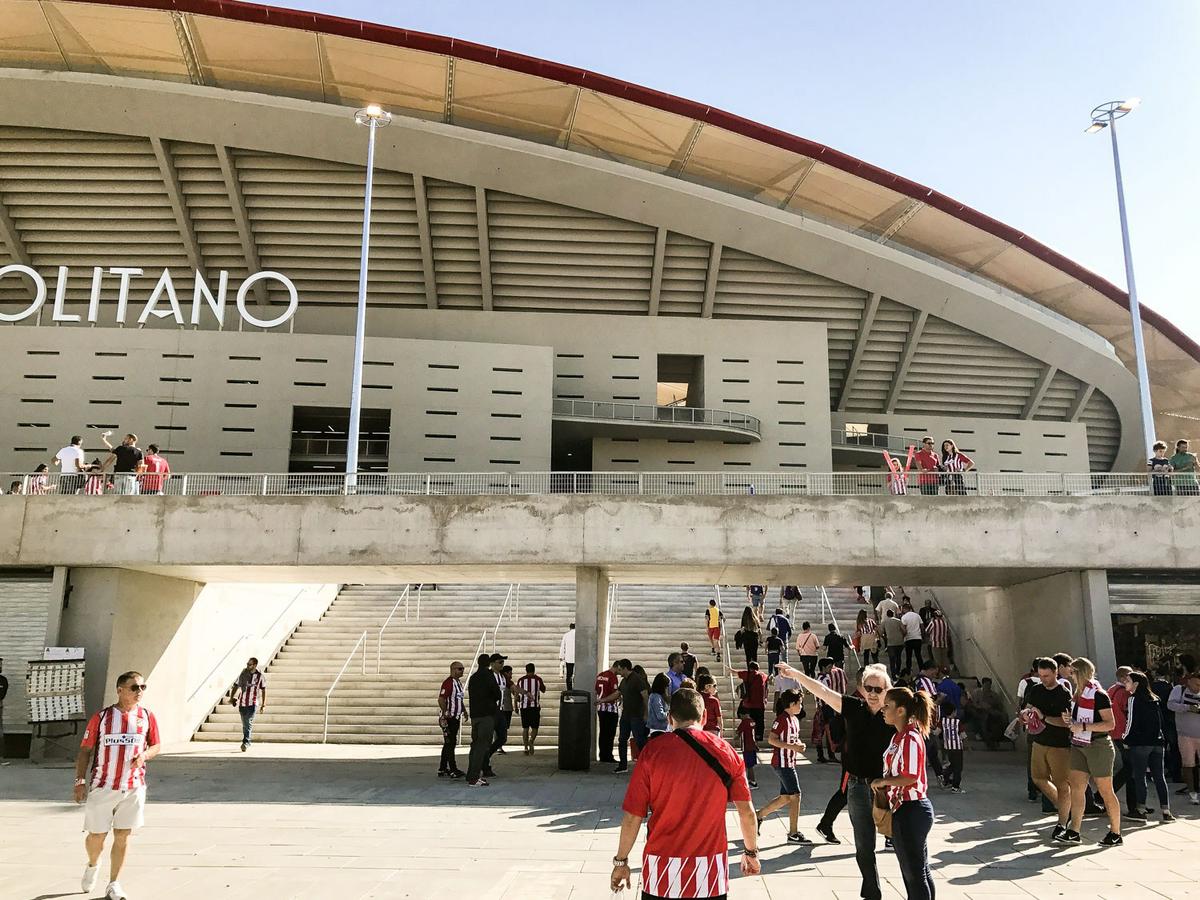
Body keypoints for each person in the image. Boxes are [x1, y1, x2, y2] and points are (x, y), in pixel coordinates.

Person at [610, 688, 760, 899]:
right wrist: (751, 852)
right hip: (709, 873)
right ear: (705, 716)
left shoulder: (652, 752)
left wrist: (621, 861)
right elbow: (747, 813)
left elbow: (633, 816)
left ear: (670, 718)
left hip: (661, 870)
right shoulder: (727, 752)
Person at [781, 661, 894, 895]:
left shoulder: (894, 716)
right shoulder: (853, 707)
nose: (872, 694)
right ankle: (872, 892)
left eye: (878, 689)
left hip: (886, 788)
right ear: (862, 689)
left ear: (887, 691)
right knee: (864, 845)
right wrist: (797, 675)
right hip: (857, 787)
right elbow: (823, 692)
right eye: (868, 688)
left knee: (900, 842)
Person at [75, 671, 160, 900]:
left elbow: (156, 745)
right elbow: (85, 751)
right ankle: (93, 864)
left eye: (143, 687)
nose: (139, 692)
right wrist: (80, 781)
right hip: (103, 786)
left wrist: (144, 755)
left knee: (122, 835)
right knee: (97, 837)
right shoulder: (102, 718)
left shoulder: (147, 716)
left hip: (133, 787)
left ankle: (114, 883)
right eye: (134, 688)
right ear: (120, 690)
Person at [874, 687, 935, 900]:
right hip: (904, 809)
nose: (882, 709)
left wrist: (884, 781)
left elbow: (911, 776)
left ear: (900, 711)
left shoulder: (909, 737)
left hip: (912, 809)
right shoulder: (899, 737)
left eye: (887, 706)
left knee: (915, 873)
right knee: (918, 870)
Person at [1061, 656, 1122, 846]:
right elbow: (1078, 722)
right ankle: (1074, 830)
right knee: (1077, 788)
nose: (1070, 676)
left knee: (1105, 790)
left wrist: (1083, 727)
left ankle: (1115, 832)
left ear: (1080, 673)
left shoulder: (1098, 695)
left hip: (1098, 745)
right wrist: (1070, 720)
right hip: (1079, 744)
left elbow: (1110, 724)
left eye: (1072, 673)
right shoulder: (1077, 695)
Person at [1021, 657, 1075, 838]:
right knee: (1038, 778)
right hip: (1038, 740)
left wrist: (1043, 717)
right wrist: (1026, 715)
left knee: (1062, 784)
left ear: (1055, 673)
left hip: (1059, 744)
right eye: (1041, 675)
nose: (1043, 679)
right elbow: (1028, 707)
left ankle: (1062, 821)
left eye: (1047, 675)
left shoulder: (1063, 693)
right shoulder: (1036, 689)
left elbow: (1066, 722)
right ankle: (1064, 810)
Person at [756, 688, 810, 844]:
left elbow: (791, 739)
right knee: (796, 796)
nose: (801, 707)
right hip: (782, 763)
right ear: (792, 704)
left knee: (786, 797)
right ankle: (793, 833)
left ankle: (758, 816)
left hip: (789, 761)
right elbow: (772, 739)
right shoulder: (781, 719)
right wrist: (794, 747)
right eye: (800, 703)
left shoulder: (794, 719)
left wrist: (798, 745)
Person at [1123, 670, 1174, 821]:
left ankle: (1140, 809)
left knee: (1139, 777)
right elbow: (1160, 722)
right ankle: (1166, 811)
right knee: (1159, 777)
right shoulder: (1154, 699)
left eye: (1128, 681)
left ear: (1136, 684)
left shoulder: (1133, 699)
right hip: (1157, 742)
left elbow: (1131, 721)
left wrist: (1126, 739)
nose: (1125, 683)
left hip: (1140, 743)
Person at [465, 653, 500, 786]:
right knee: (481, 746)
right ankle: (474, 777)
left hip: (475, 715)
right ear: (489, 663)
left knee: (475, 746)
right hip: (486, 715)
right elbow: (496, 693)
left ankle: (470, 774)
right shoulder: (488, 675)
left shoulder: (473, 677)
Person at [1166, 669, 1200, 804]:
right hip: (1185, 735)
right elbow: (1170, 705)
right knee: (1188, 764)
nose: (1198, 688)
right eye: (1197, 684)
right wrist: (1187, 707)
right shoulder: (1179, 690)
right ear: (1189, 681)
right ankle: (1192, 793)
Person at [1107, 666, 1135, 815]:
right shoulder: (1124, 692)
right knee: (1130, 769)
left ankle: (1135, 804)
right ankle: (1133, 806)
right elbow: (1128, 711)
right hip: (1124, 732)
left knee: (1128, 768)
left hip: (1114, 732)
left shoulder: (1111, 690)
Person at [614, 658, 649, 774]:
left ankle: (647, 764)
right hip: (626, 715)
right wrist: (602, 700)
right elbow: (617, 693)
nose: (618, 672)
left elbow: (645, 696)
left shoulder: (637, 679)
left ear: (625, 668)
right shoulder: (624, 681)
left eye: (620, 670)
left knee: (640, 740)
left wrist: (646, 713)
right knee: (622, 739)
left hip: (637, 715)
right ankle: (623, 764)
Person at [815, 657, 847, 764]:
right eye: (829, 667)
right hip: (826, 707)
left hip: (824, 706)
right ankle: (828, 754)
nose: (830, 669)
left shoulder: (823, 678)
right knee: (827, 730)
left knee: (823, 731)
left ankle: (824, 754)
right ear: (823, 667)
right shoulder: (824, 679)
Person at [231, 657, 267, 752]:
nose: (247, 666)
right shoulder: (243, 674)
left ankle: (245, 742)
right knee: (245, 723)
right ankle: (247, 740)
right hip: (242, 703)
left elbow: (263, 690)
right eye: (247, 664)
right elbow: (236, 686)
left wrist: (264, 704)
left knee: (248, 722)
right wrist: (232, 698)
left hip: (253, 703)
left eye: (249, 664)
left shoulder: (260, 676)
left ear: (255, 665)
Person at [437, 660, 466, 778]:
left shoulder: (458, 683)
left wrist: (464, 710)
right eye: (460, 668)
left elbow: (459, 699)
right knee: (450, 743)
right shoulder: (448, 683)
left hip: (456, 717)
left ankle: (442, 768)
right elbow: (441, 699)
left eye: (463, 668)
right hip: (449, 719)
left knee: (448, 743)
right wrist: (445, 712)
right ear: (453, 670)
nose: (462, 670)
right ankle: (453, 769)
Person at [515, 662, 546, 755]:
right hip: (535, 707)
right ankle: (531, 740)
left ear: (526, 670)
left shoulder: (520, 680)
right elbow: (543, 690)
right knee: (535, 727)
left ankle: (525, 748)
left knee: (525, 728)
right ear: (534, 669)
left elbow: (516, 694)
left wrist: (515, 706)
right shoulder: (538, 679)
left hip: (524, 707)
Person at [596, 662, 622, 763]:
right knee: (610, 733)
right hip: (610, 708)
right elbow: (615, 693)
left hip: (601, 708)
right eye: (619, 670)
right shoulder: (612, 677)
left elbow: (596, 690)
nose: (619, 673)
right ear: (617, 667)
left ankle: (602, 754)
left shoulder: (600, 675)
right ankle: (608, 755)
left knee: (602, 732)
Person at [736, 661, 769, 741]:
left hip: (747, 704)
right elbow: (768, 683)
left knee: (748, 722)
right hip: (759, 706)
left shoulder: (746, 674)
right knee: (759, 723)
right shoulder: (763, 675)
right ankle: (757, 739)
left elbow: (735, 672)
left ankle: (743, 734)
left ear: (749, 668)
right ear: (758, 668)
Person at [939, 701, 964, 792]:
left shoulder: (942, 721)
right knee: (958, 767)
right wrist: (968, 747)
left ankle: (944, 777)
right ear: (953, 712)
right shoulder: (957, 722)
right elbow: (963, 735)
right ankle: (955, 786)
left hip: (948, 747)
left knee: (953, 765)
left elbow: (937, 732)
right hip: (957, 747)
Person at [899, 603, 924, 675]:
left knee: (908, 656)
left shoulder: (904, 617)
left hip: (909, 638)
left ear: (904, 609)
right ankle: (921, 670)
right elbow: (922, 626)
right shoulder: (917, 616)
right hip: (917, 638)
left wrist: (903, 637)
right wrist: (922, 635)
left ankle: (908, 671)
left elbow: (904, 629)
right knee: (918, 656)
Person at [738, 709, 759, 788]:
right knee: (750, 765)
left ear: (743, 714)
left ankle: (753, 781)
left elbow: (739, 731)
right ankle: (750, 780)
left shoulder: (744, 722)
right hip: (752, 745)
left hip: (746, 746)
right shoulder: (752, 722)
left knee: (749, 765)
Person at [882, 610, 905, 678]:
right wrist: (902, 637)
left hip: (890, 643)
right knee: (898, 657)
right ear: (893, 614)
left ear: (887, 614)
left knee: (892, 659)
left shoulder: (884, 622)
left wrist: (885, 637)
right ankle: (898, 671)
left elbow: (880, 632)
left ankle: (893, 674)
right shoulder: (898, 621)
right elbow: (904, 630)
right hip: (899, 641)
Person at [559, 623, 575, 690]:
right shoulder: (579, 635)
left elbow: (563, 646)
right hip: (578, 658)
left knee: (569, 675)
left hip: (569, 658)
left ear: (570, 628)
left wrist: (561, 656)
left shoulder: (566, 635)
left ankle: (569, 690)